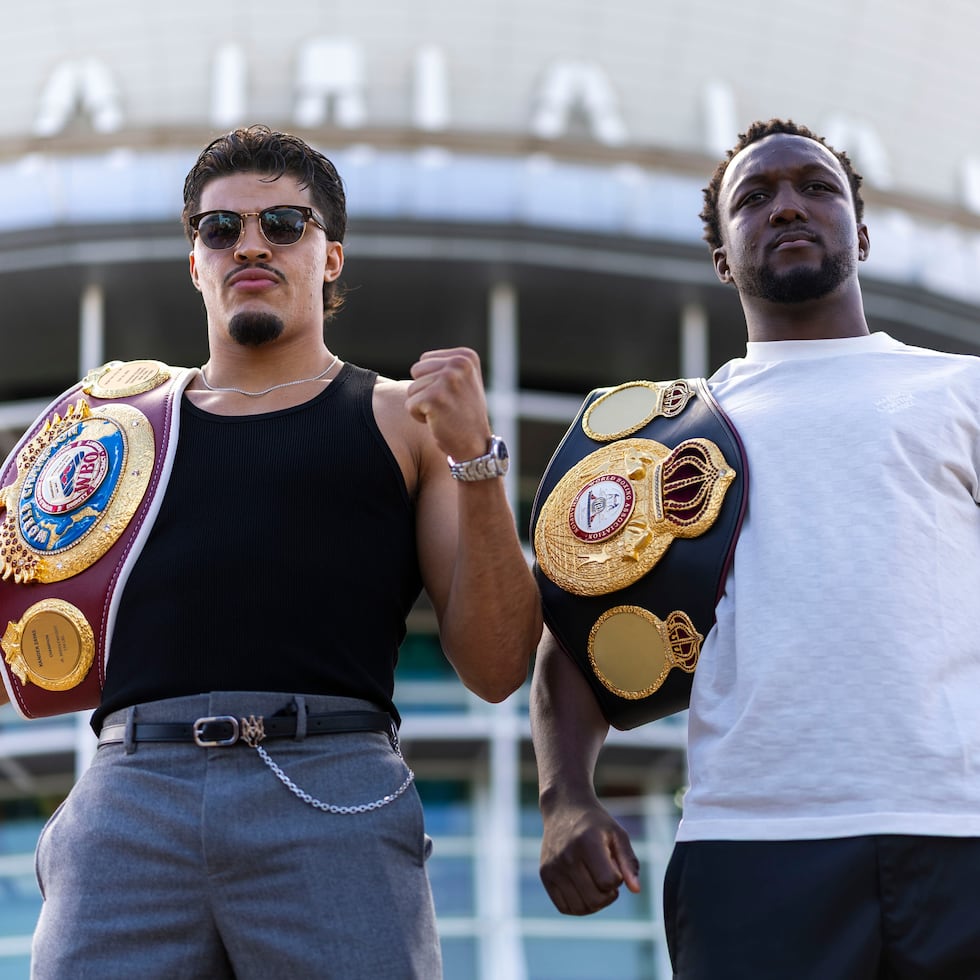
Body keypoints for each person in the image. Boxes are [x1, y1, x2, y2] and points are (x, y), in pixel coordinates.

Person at [3, 125, 541, 978]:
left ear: (330, 257)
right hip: (128, 796)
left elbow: (499, 665)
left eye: (285, 224)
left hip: (329, 782)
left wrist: (478, 464)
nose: (251, 243)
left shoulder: (406, 419)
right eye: (221, 229)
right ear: (195, 262)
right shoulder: (116, 431)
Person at [530, 118, 980, 978]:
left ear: (862, 231)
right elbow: (571, 642)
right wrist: (565, 800)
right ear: (722, 258)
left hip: (962, 830)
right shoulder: (667, 438)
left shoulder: (961, 389)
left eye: (817, 189)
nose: (787, 207)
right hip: (752, 845)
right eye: (755, 197)